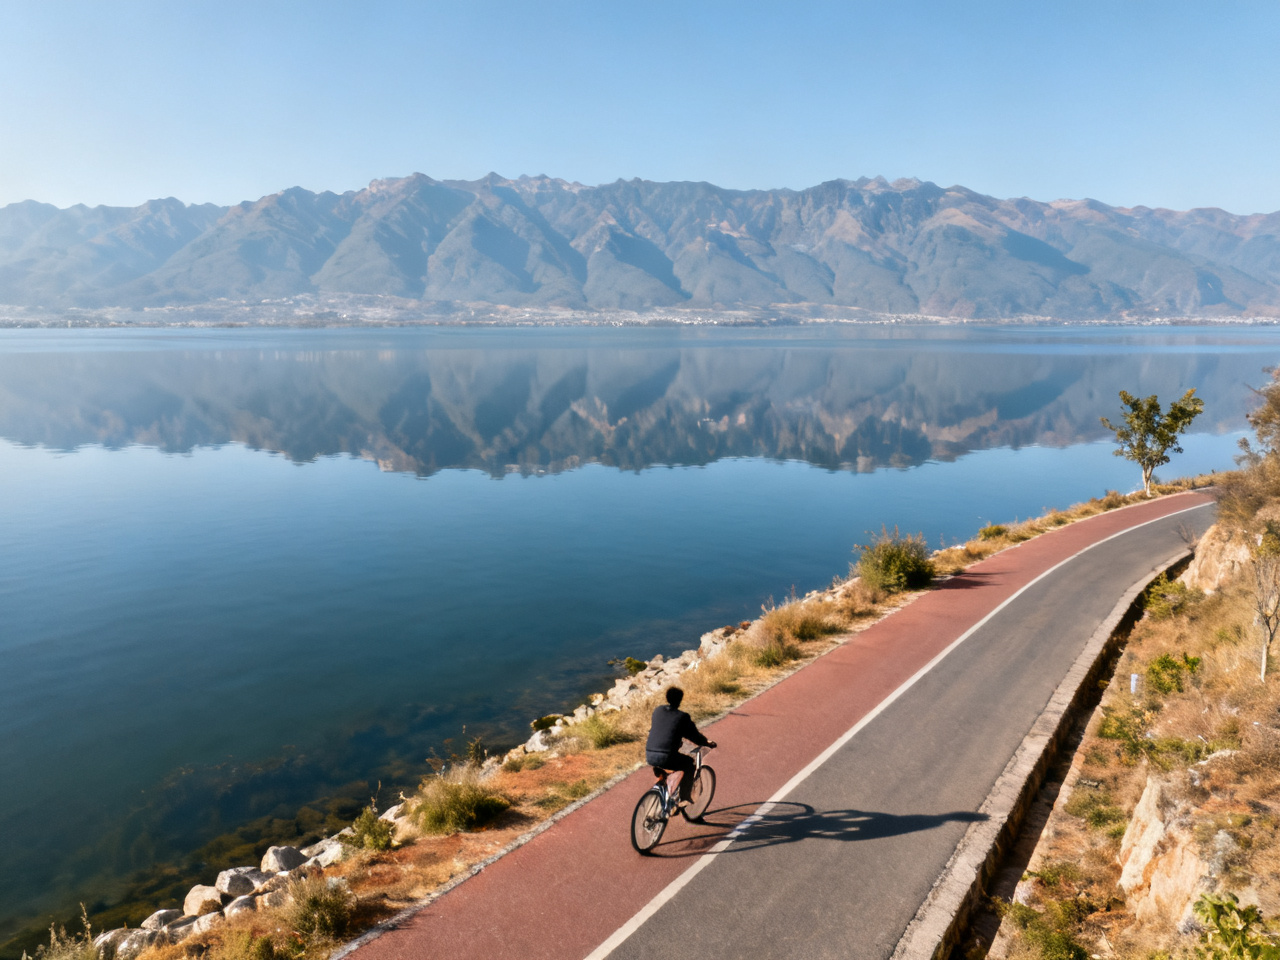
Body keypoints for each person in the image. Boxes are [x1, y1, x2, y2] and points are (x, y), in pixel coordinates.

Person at [645, 687, 716, 809]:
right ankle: (684, 797)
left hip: (649, 754)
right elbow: (694, 736)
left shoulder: (658, 710)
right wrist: (707, 743)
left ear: (667, 697)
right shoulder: (682, 717)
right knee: (689, 764)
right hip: (666, 756)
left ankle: (661, 775)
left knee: (669, 762)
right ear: (680, 700)